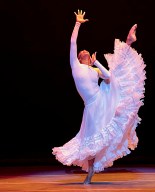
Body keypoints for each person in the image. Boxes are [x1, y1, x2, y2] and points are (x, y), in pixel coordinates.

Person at [52, 9, 146, 184]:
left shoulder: (94, 70)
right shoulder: (76, 67)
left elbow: (109, 77)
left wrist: (96, 62)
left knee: (117, 74)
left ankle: (128, 42)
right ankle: (90, 172)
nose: (84, 52)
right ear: (79, 58)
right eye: (83, 53)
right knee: (91, 138)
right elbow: (73, 42)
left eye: (87, 53)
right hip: (91, 106)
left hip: (101, 100)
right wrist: (77, 23)